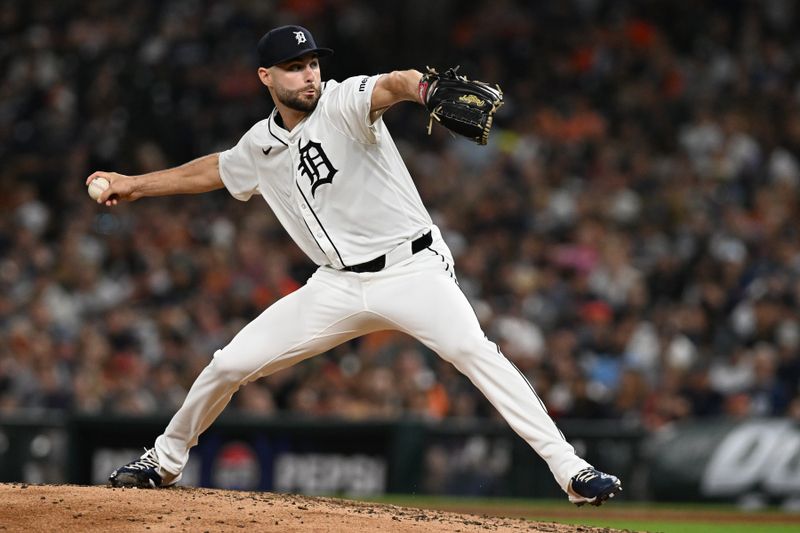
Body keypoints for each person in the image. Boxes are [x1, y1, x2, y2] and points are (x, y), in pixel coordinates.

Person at [95, 25, 622, 506]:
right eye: (295, 67)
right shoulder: (259, 145)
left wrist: (426, 91)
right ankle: (162, 461)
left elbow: (393, 83)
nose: (309, 75)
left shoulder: (343, 101)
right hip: (336, 285)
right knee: (228, 364)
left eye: (313, 63)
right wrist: (134, 185)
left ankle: (571, 470)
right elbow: (215, 169)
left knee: (473, 351)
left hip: (412, 269)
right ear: (265, 76)